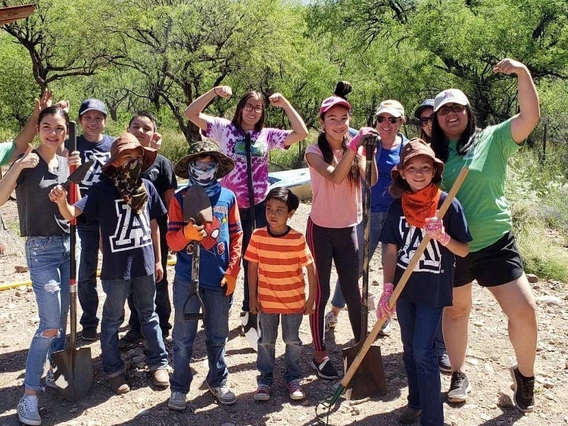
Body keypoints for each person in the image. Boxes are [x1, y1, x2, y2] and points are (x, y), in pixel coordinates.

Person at [429, 58, 540, 412]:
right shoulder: (431, 154)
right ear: (435, 118)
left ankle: (525, 376)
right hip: (452, 245)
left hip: (494, 241)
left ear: (467, 112)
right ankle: (458, 373)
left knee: (524, 311)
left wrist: (522, 73)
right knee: (457, 311)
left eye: (456, 109)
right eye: (443, 110)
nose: (450, 115)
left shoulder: (492, 138)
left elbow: (530, 117)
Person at [184, 87, 308, 340]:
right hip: (228, 204)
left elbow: (301, 133)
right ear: (240, 108)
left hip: (260, 205)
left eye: (258, 107)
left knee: (257, 259)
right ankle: (219, 311)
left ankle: (250, 309)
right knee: (228, 257)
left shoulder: (268, 135)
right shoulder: (223, 129)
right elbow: (191, 113)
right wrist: (214, 93)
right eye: (248, 106)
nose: (253, 111)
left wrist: (284, 103)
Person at [50, 133, 169, 395]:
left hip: (145, 264)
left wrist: (159, 259)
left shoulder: (147, 187)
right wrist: (61, 201)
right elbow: (72, 213)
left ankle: (158, 362)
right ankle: (113, 369)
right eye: (128, 157)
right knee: (113, 318)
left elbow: (154, 224)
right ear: (115, 161)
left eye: (138, 158)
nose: (134, 162)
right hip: (117, 269)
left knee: (149, 314)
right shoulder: (102, 190)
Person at [377, 138, 471, 426]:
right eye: (412, 168)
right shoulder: (397, 207)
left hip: (433, 290)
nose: (419, 173)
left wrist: (443, 237)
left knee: (424, 352)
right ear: (402, 173)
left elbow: (463, 249)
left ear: (435, 171)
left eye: (425, 168)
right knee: (408, 349)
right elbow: (391, 250)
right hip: (404, 291)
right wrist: (388, 288)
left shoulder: (447, 205)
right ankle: (416, 402)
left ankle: (433, 419)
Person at [0, 105, 81, 426]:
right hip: (40, 250)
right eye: (46, 126)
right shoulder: (27, 163)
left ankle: (53, 374)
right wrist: (17, 167)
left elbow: (71, 213)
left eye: (58, 128)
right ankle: (28, 396)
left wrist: (65, 196)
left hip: (66, 247)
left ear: (64, 132)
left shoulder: (66, 164)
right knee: (49, 325)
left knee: (59, 320)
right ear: (38, 129)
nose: (52, 133)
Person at [166, 139, 243, 411]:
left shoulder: (228, 197)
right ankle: (179, 386)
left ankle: (217, 379)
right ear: (190, 167)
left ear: (217, 167)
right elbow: (171, 241)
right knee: (183, 337)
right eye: (199, 164)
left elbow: (236, 234)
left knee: (218, 335)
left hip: (220, 278)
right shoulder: (180, 198)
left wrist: (234, 269)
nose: (204, 168)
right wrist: (184, 235)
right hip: (188, 278)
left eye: (209, 164)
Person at [305, 95, 378, 380]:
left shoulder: (355, 150)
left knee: (353, 290)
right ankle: (319, 353)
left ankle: (361, 346)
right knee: (320, 291)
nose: (339, 124)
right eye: (332, 119)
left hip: (350, 228)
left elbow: (370, 180)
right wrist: (356, 144)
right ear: (322, 123)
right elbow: (335, 177)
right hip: (320, 229)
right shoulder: (313, 151)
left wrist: (368, 153)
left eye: (344, 118)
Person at [326, 99, 408, 339]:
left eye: (392, 119)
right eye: (382, 118)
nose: (386, 124)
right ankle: (334, 311)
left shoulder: (407, 147)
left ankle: (385, 315)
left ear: (401, 122)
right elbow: (339, 126)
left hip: (397, 216)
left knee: (390, 270)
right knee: (354, 268)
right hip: (368, 213)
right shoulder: (367, 141)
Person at [245, 187, 316, 401]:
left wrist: (311, 299)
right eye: (268, 208)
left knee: (292, 340)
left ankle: (293, 378)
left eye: (279, 210)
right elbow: (252, 268)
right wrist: (252, 297)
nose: (272, 214)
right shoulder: (258, 236)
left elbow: (310, 269)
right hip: (266, 301)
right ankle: (265, 380)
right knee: (266, 341)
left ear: (291, 213)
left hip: (293, 301)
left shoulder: (297, 238)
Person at [120, 111, 177, 345]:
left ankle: (162, 325)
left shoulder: (162, 164)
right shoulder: (118, 161)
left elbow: (170, 199)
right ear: (128, 130)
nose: (141, 131)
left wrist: (170, 233)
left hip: (156, 231)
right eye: (136, 126)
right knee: (131, 280)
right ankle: (136, 326)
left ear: (154, 134)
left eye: (146, 128)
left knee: (158, 276)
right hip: (125, 232)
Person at [69, 98, 115, 341]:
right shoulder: (71, 145)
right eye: (88, 117)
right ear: (80, 121)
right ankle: (89, 320)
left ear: (105, 121)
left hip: (111, 215)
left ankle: (114, 317)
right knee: (86, 270)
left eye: (98, 118)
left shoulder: (114, 145)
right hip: (84, 215)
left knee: (114, 268)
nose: (93, 122)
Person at [412, 98, 451, 373]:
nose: (427, 123)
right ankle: (421, 346)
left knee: (443, 288)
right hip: (418, 223)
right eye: (422, 120)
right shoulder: (416, 149)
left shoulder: (450, 147)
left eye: (430, 118)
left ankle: (442, 347)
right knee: (422, 284)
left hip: (445, 220)